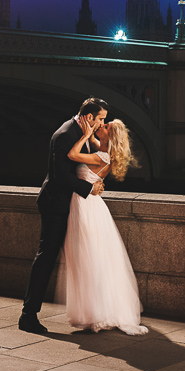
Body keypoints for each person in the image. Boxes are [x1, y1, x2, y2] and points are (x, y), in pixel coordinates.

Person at [19, 97, 108, 334]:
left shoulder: (81, 132)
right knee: (46, 258)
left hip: (73, 206)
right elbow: (61, 176)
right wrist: (90, 189)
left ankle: (90, 313)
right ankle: (28, 316)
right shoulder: (65, 134)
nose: (102, 124)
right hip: (56, 205)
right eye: (100, 119)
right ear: (89, 117)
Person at [64, 115, 148, 335]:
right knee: (93, 260)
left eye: (106, 125)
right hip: (89, 204)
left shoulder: (102, 157)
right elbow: (94, 144)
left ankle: (95, 313)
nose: (102, 124)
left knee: (89, 259)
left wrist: (84, 135)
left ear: (110, 135)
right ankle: (96, 311)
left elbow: (72, 155)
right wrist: (90, 134)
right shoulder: (103, 152)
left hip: (87, 206)